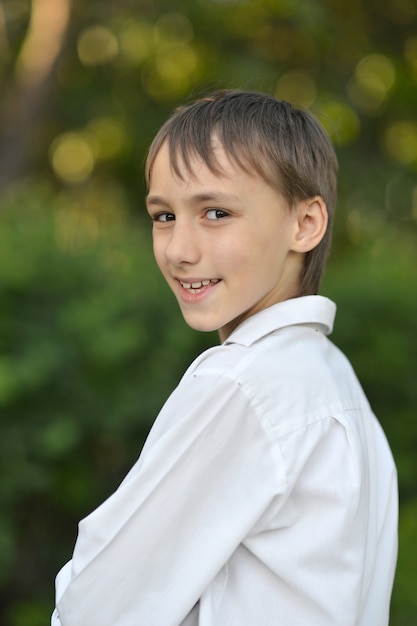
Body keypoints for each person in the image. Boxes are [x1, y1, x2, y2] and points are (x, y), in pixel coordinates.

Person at [52, 89, 398, 625]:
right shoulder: (332, 380)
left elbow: (95, 607)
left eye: (216, 212)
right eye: (163, 215)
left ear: (305, 224)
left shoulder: (244, 384)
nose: (178, 249)